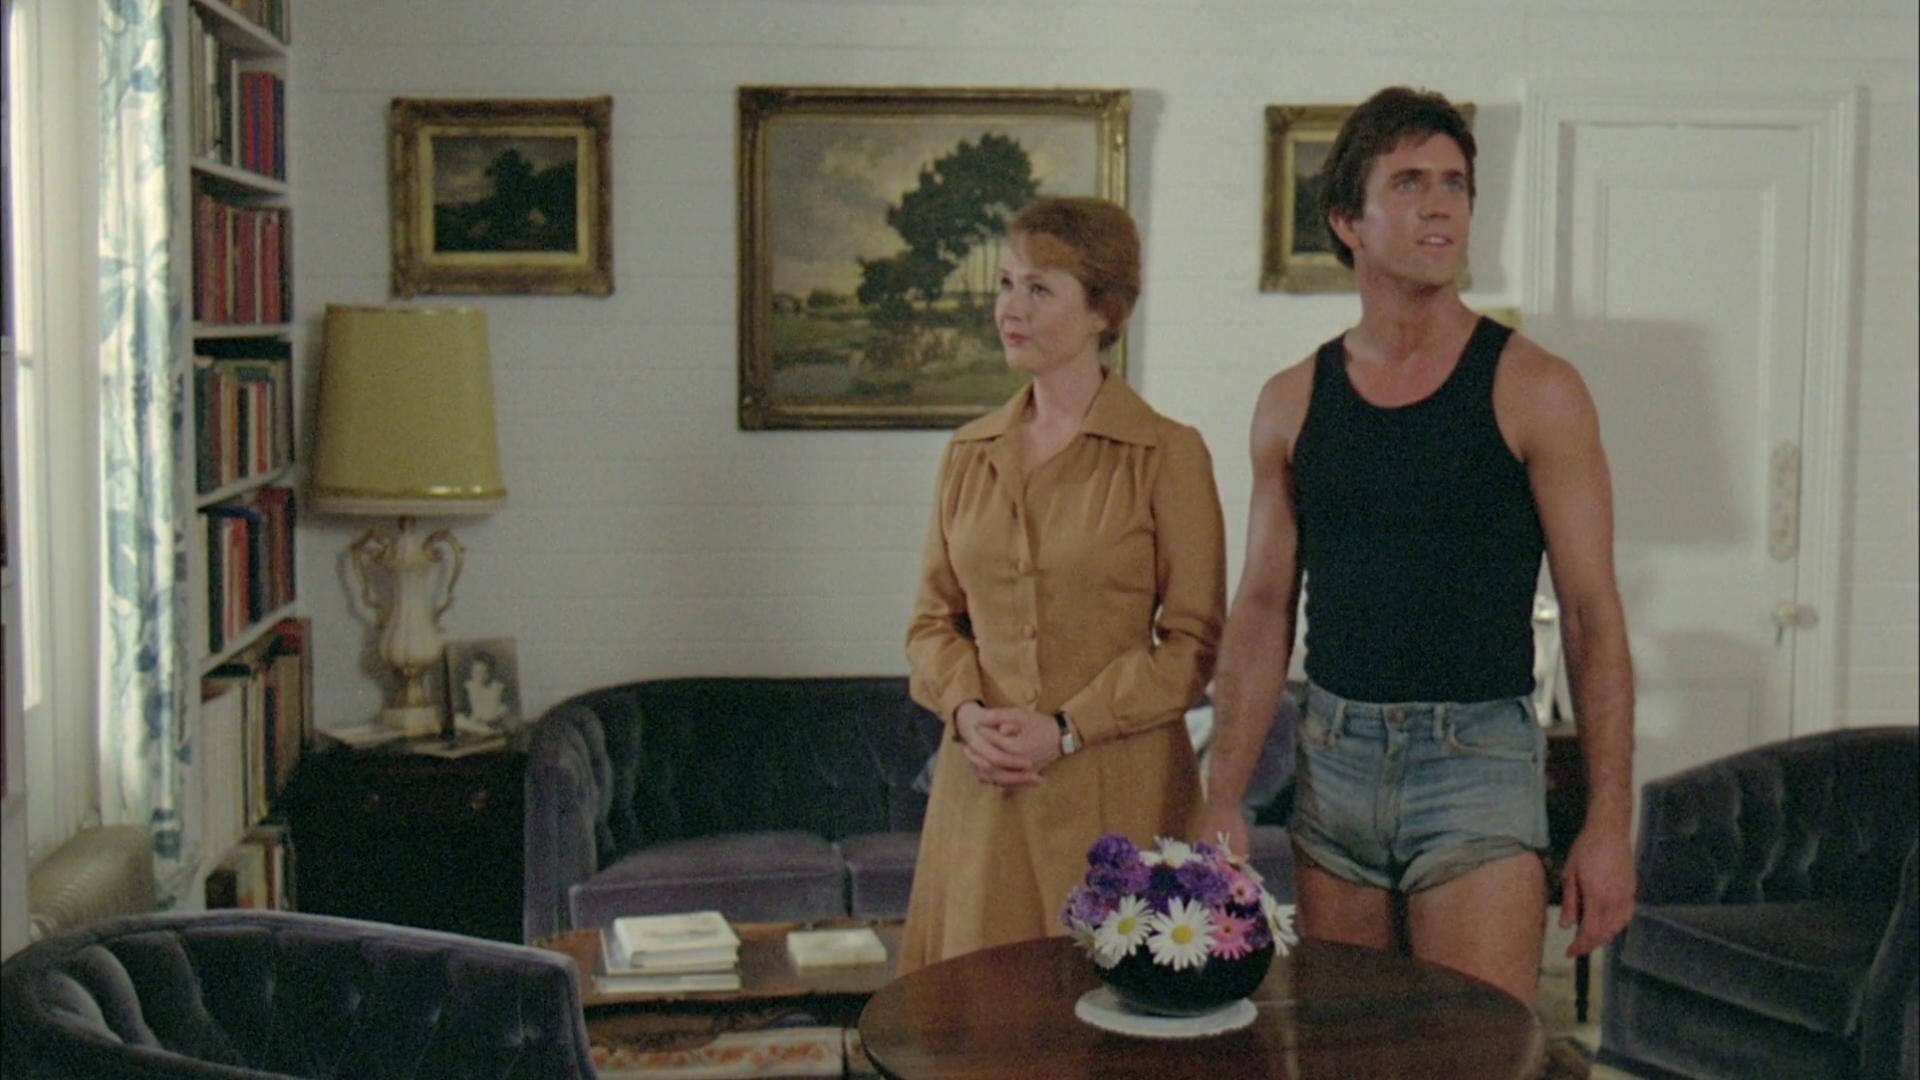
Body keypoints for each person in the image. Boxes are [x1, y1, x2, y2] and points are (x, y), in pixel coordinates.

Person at [1194, 86, 1635, 1007]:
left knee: (1475, 1050)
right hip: (1333, 760)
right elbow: (1263, 608)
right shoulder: (1291, 400)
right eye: (1408, 183)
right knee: (1348, 1051)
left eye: (1455, 184)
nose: (1441, 205)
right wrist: (1220, 795)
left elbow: (1592, 615)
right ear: (1346, 220)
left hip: (1477, 763)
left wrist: (1608, 821)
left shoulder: (1537, 388)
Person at [901, 196, 1227, 975]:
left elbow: (1192, 646)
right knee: (979, 1011)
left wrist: (1069, 728)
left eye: (1039, 289)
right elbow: (931, 624)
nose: (1009, 308)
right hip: (984, 794)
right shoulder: (968, 453)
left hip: (1119, 794)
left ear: (1102, 311)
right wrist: (966, 711)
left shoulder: (1166, 454)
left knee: (1112, 1012)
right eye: (1006, 284)